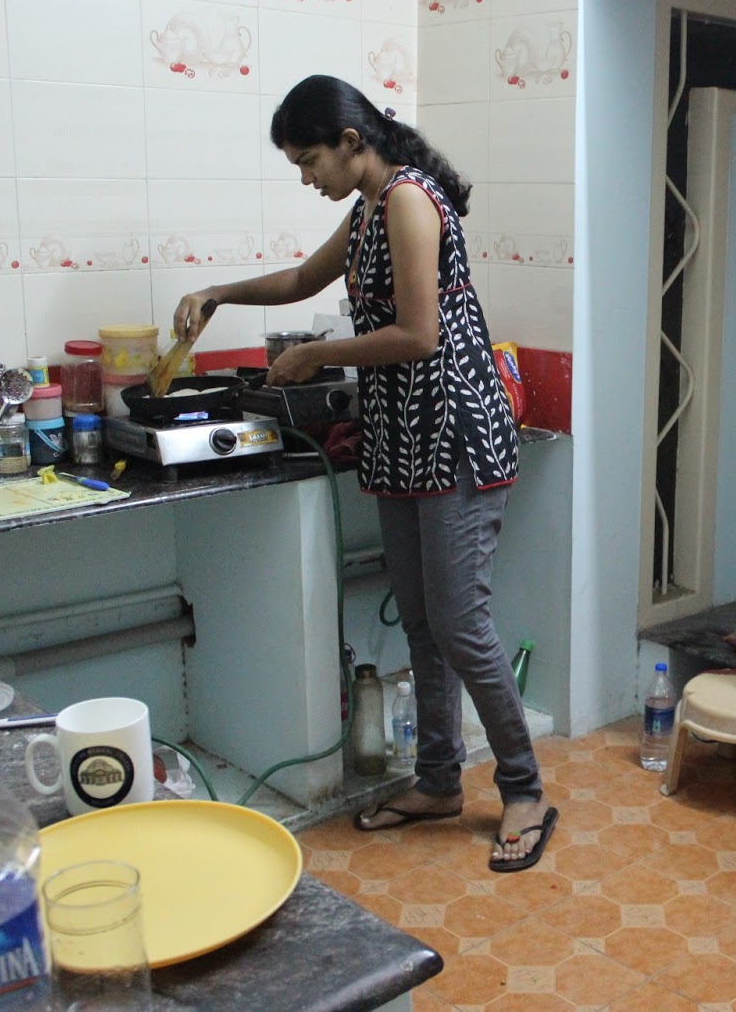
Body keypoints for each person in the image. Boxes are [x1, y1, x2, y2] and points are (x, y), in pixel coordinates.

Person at [174, 75, 556, 872]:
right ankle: (439, 782)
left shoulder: (409, 200)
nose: (305, 177)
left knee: (460, 625)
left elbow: (418, 334)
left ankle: (524, 789)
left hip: (454, 435)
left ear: (351, 142)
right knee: (422, 623)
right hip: (403, 441)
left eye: (308, 160)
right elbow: (299, 281)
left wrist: (315, 354)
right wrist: (218, 293)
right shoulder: (368, 210)